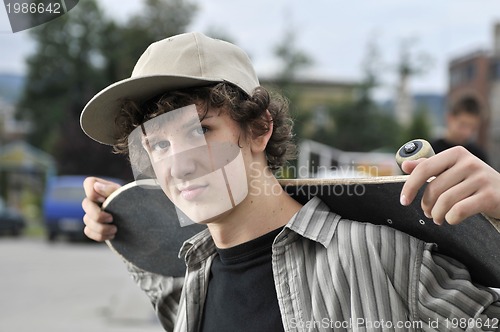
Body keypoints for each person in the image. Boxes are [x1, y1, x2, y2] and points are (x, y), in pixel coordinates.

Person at [81, 32, 500, 331]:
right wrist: (122, 219)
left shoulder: (376, 255)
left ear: (260, 129)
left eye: (200, 131)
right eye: (157, 145)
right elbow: (161, 285)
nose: (179, 166)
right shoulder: (195, 280)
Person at [432, 96, 489, 163]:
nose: (467, 133)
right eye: (463, 125)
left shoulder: (479, 156)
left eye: (473, 128)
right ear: (449, 118)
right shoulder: (431, 151)